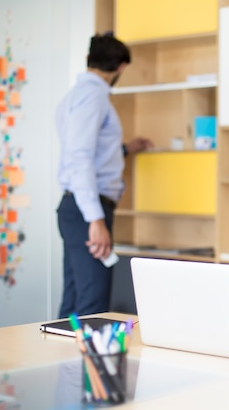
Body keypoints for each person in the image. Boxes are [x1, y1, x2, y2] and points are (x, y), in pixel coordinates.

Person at [56, 33, 153, 318]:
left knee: (74, 300)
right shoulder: (95, 97)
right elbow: (81, 156)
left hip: (76, 207)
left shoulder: (74, 96)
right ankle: (89, 364)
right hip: (89, 209)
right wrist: (95, 219)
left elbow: (86, 151)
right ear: (120, 67)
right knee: (92, 304)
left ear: (89, 59)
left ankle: (65, 363)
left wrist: (123, 148)